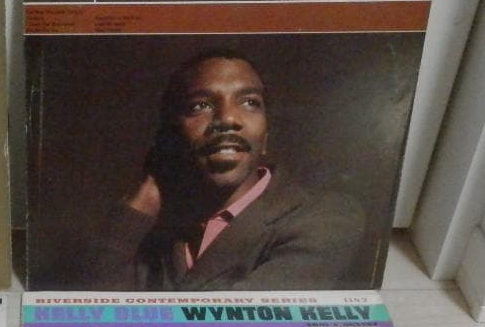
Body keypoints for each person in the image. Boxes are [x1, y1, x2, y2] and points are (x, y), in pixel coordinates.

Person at [80, 49, 366, 290]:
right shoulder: (160, 233)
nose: (228, 118)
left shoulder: (326, 217)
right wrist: (141, 204)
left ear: (266, 137)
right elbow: (97, 315)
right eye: (200, 105)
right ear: (173, 135)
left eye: (250, 103)